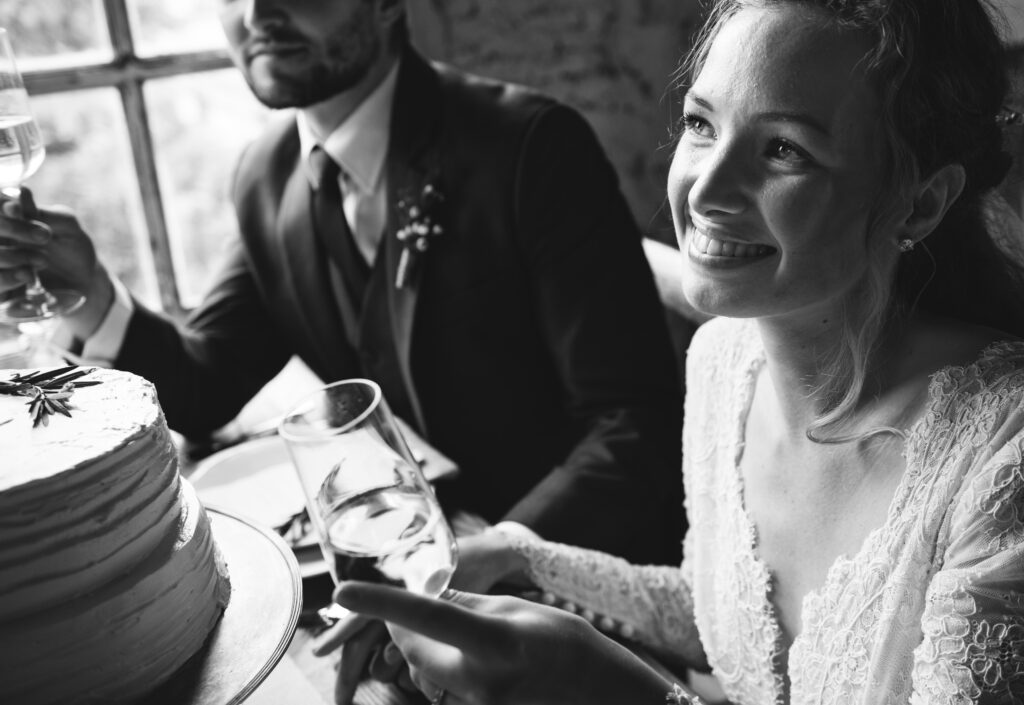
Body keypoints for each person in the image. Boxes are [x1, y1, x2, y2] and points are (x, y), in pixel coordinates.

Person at [326, 0, 1024, 703]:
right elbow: (722, 614)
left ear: (920, 202)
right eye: (700, 124)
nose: (706, 191)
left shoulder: (1002, 458)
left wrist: (604, 685)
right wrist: (520, 556)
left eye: (783, 148)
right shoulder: (723, 361)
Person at [0, 1, 685, 701]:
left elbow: (636, 424)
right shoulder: (266, 175)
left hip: (572, 602)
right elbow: (205, 384)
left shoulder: (533, 147)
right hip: (393, 589)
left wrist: (500, 555)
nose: (258, 12)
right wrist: (90, 295)